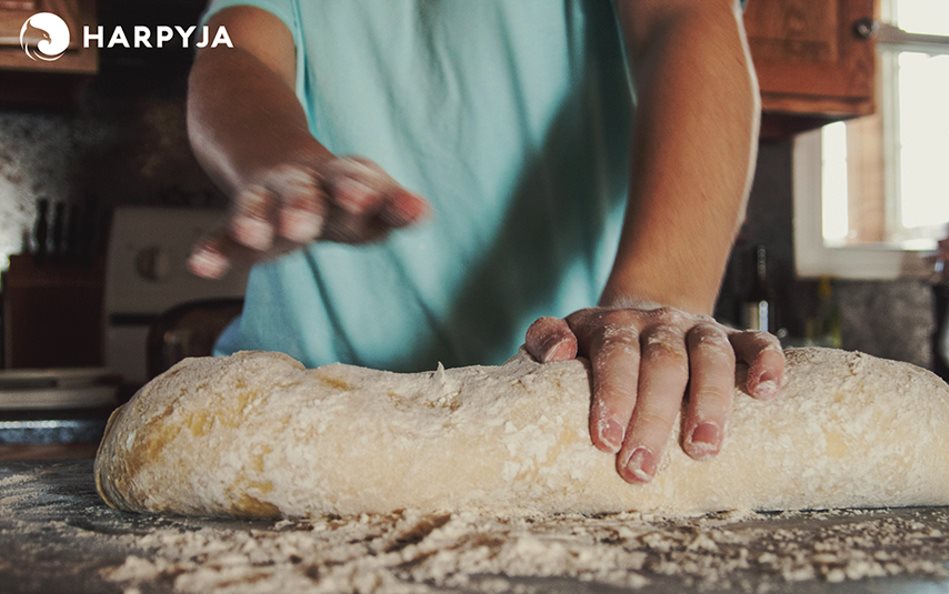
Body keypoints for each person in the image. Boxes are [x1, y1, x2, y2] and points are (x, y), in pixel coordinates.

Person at [185, 0, 785, 485]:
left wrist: (654, 303)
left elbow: (685, 19)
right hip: (290, 416)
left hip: (570, 409)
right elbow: (235, 46)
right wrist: (284, 161)